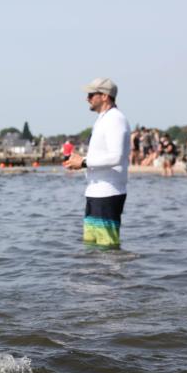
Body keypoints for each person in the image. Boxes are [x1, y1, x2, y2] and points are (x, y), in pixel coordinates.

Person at [62, 78, 130, 248]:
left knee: (107, 249)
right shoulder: (103, 119)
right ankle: (94, 276)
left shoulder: (115, 119)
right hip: (95, 191)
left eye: (91, 94)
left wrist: (84, 162)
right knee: (91, 248)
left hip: (108, 193)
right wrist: (79, 161)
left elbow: (116, 157)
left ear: (105, 96)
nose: (87, 98)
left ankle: (112, 276)